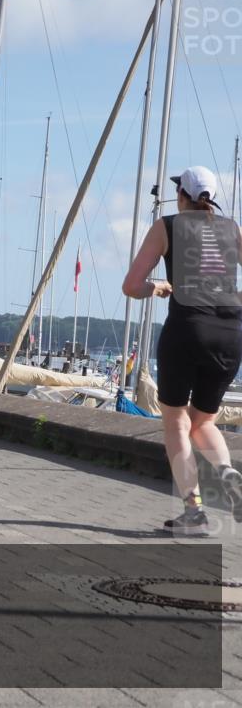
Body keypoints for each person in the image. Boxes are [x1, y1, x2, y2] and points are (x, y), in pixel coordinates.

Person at [122, 165, 242, 536]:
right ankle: (229, 475)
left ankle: (194, 513)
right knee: (204, 420)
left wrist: (157, 287)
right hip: (231, 332)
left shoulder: (167, 226)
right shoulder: (233, 228)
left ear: (182, 196)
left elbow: (131, 285)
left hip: (188, 328)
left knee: (176, 420)